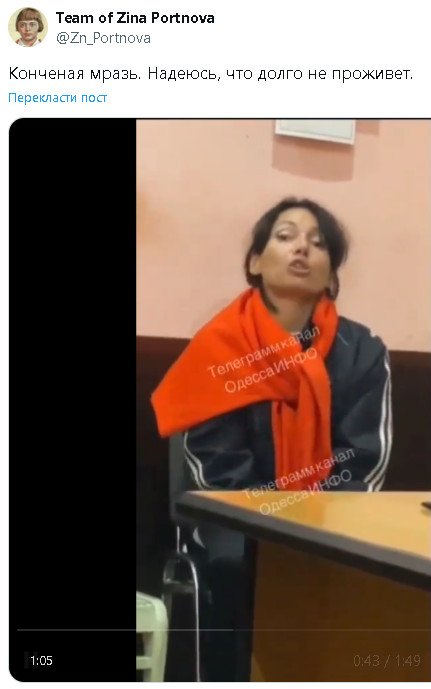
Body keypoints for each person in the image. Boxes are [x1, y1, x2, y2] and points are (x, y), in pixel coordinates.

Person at [151, 197, 393, 680]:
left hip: (329, 519)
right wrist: (280, 530)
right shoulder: (219, 347)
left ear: (331, 271)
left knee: (368, 572)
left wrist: (315, 529)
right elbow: (216, 469)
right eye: (285, 237)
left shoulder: (362, 352)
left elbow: (363, 459)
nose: (302, 248)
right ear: (256, 261)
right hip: (235, 519)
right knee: (246, 567)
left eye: (318, 243)